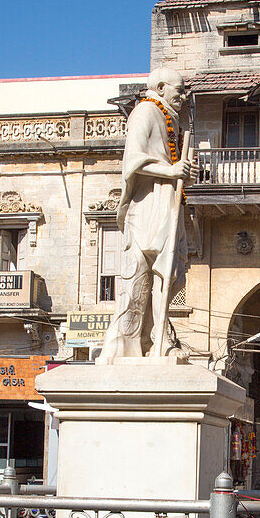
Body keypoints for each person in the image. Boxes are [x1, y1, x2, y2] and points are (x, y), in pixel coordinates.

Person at [101, 67, 198, 359]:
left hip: (169, 200)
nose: (182, 95)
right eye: (178, 89)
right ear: (159, 87)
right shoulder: (145, 111)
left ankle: (158, 337)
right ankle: (129, 341)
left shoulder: (173, 119)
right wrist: (170, 170)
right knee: (144, 271)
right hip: (148, 203)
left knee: (171, 273)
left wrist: (181, 172)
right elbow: (134, 159)